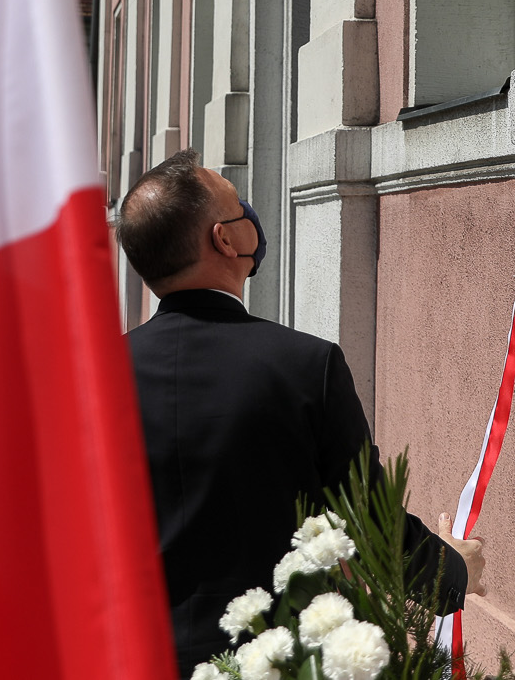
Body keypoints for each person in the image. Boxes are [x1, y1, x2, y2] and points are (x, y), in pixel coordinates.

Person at [118, 151, 485, 673]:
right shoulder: (306, 366)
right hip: (273, 662)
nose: (250, 213)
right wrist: (452, 570)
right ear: (225, 240)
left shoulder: (94, 380)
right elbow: (366, 519)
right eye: (238, 206)